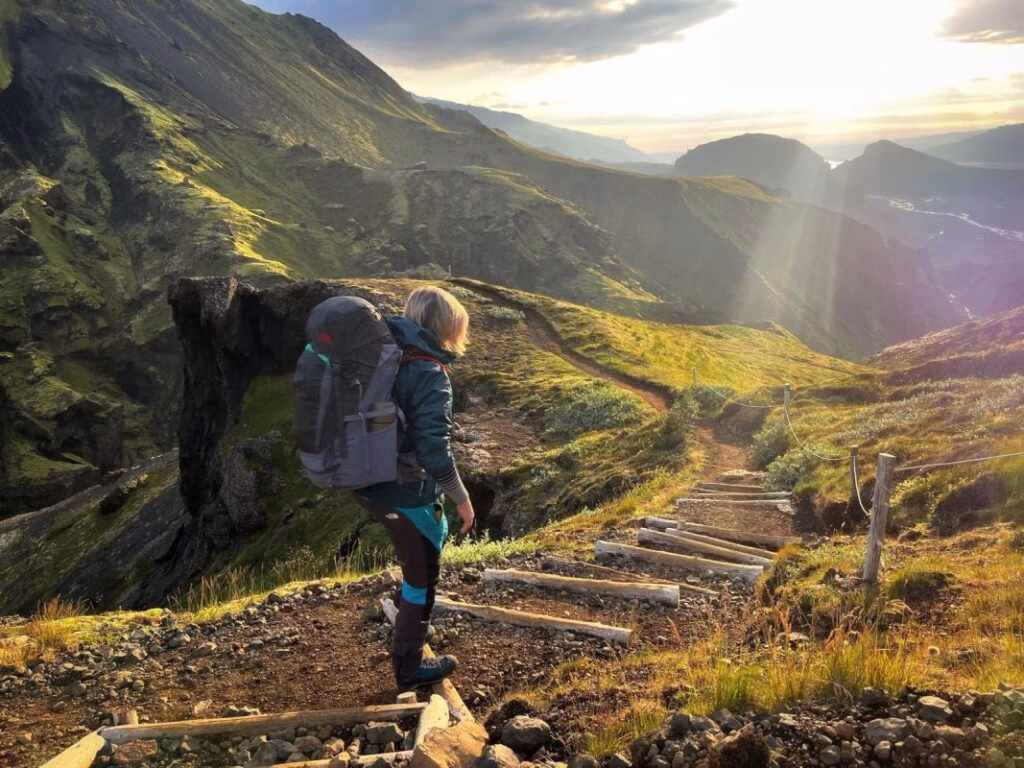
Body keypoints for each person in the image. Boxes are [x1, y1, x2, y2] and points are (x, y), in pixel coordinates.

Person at [355, 286, 475, 690]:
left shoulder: (385, 356)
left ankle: (410, 616)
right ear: (446, 327)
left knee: (418, 559)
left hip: (367, 479)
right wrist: (463, 500)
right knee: (423, 576)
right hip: (403, 489)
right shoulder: (428, 372)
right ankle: (409, 668)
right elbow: (434, 453)